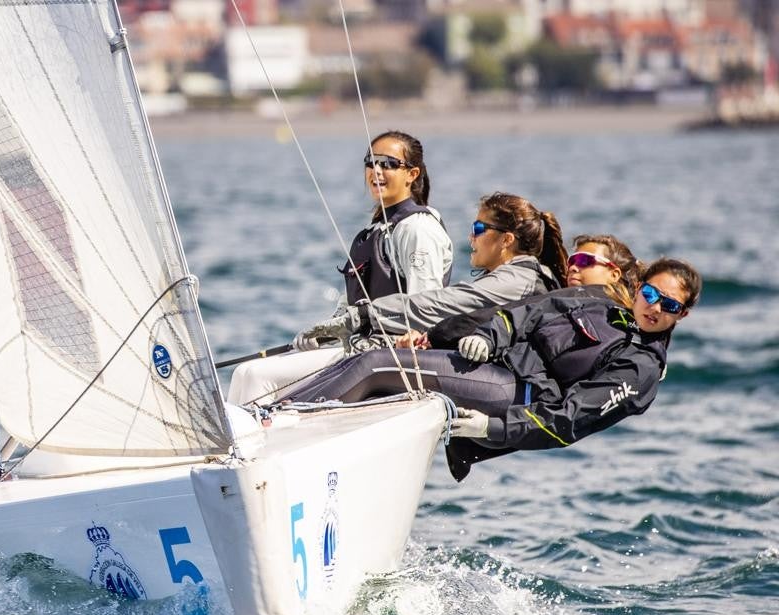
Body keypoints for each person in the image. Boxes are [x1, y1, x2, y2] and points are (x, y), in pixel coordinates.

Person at [284, 258, 702, 480]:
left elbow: (571, 420)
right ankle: (280, 420)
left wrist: (493, 429)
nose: (654, 307)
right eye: (651, 293)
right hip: (492, 362)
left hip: (514, 395)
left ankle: (278, 427)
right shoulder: (599, 302)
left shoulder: (640, 367)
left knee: (377, 365)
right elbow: (527, 314)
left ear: (681, 316)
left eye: (669, 306)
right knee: (367, 366)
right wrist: (488, 337)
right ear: (640, 285)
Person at [225, 130, 451, 405]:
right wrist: (325, 332)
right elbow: (351, 309)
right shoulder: (378, 229)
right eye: (371, 162)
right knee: (244, 373)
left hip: (386, 359)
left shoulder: (417, 229)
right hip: (357, 349)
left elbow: (425, 309)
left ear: (412, 174)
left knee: (254, 376)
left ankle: (245, 446)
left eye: (388, 163)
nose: (376, 170)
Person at [401, 233, 639, 351]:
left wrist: (433, 337)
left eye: (586, 261)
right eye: (572, 260)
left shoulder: (588, 302)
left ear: (614, 274)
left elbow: (509, 314)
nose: (574, 266)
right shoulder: (588, 306)